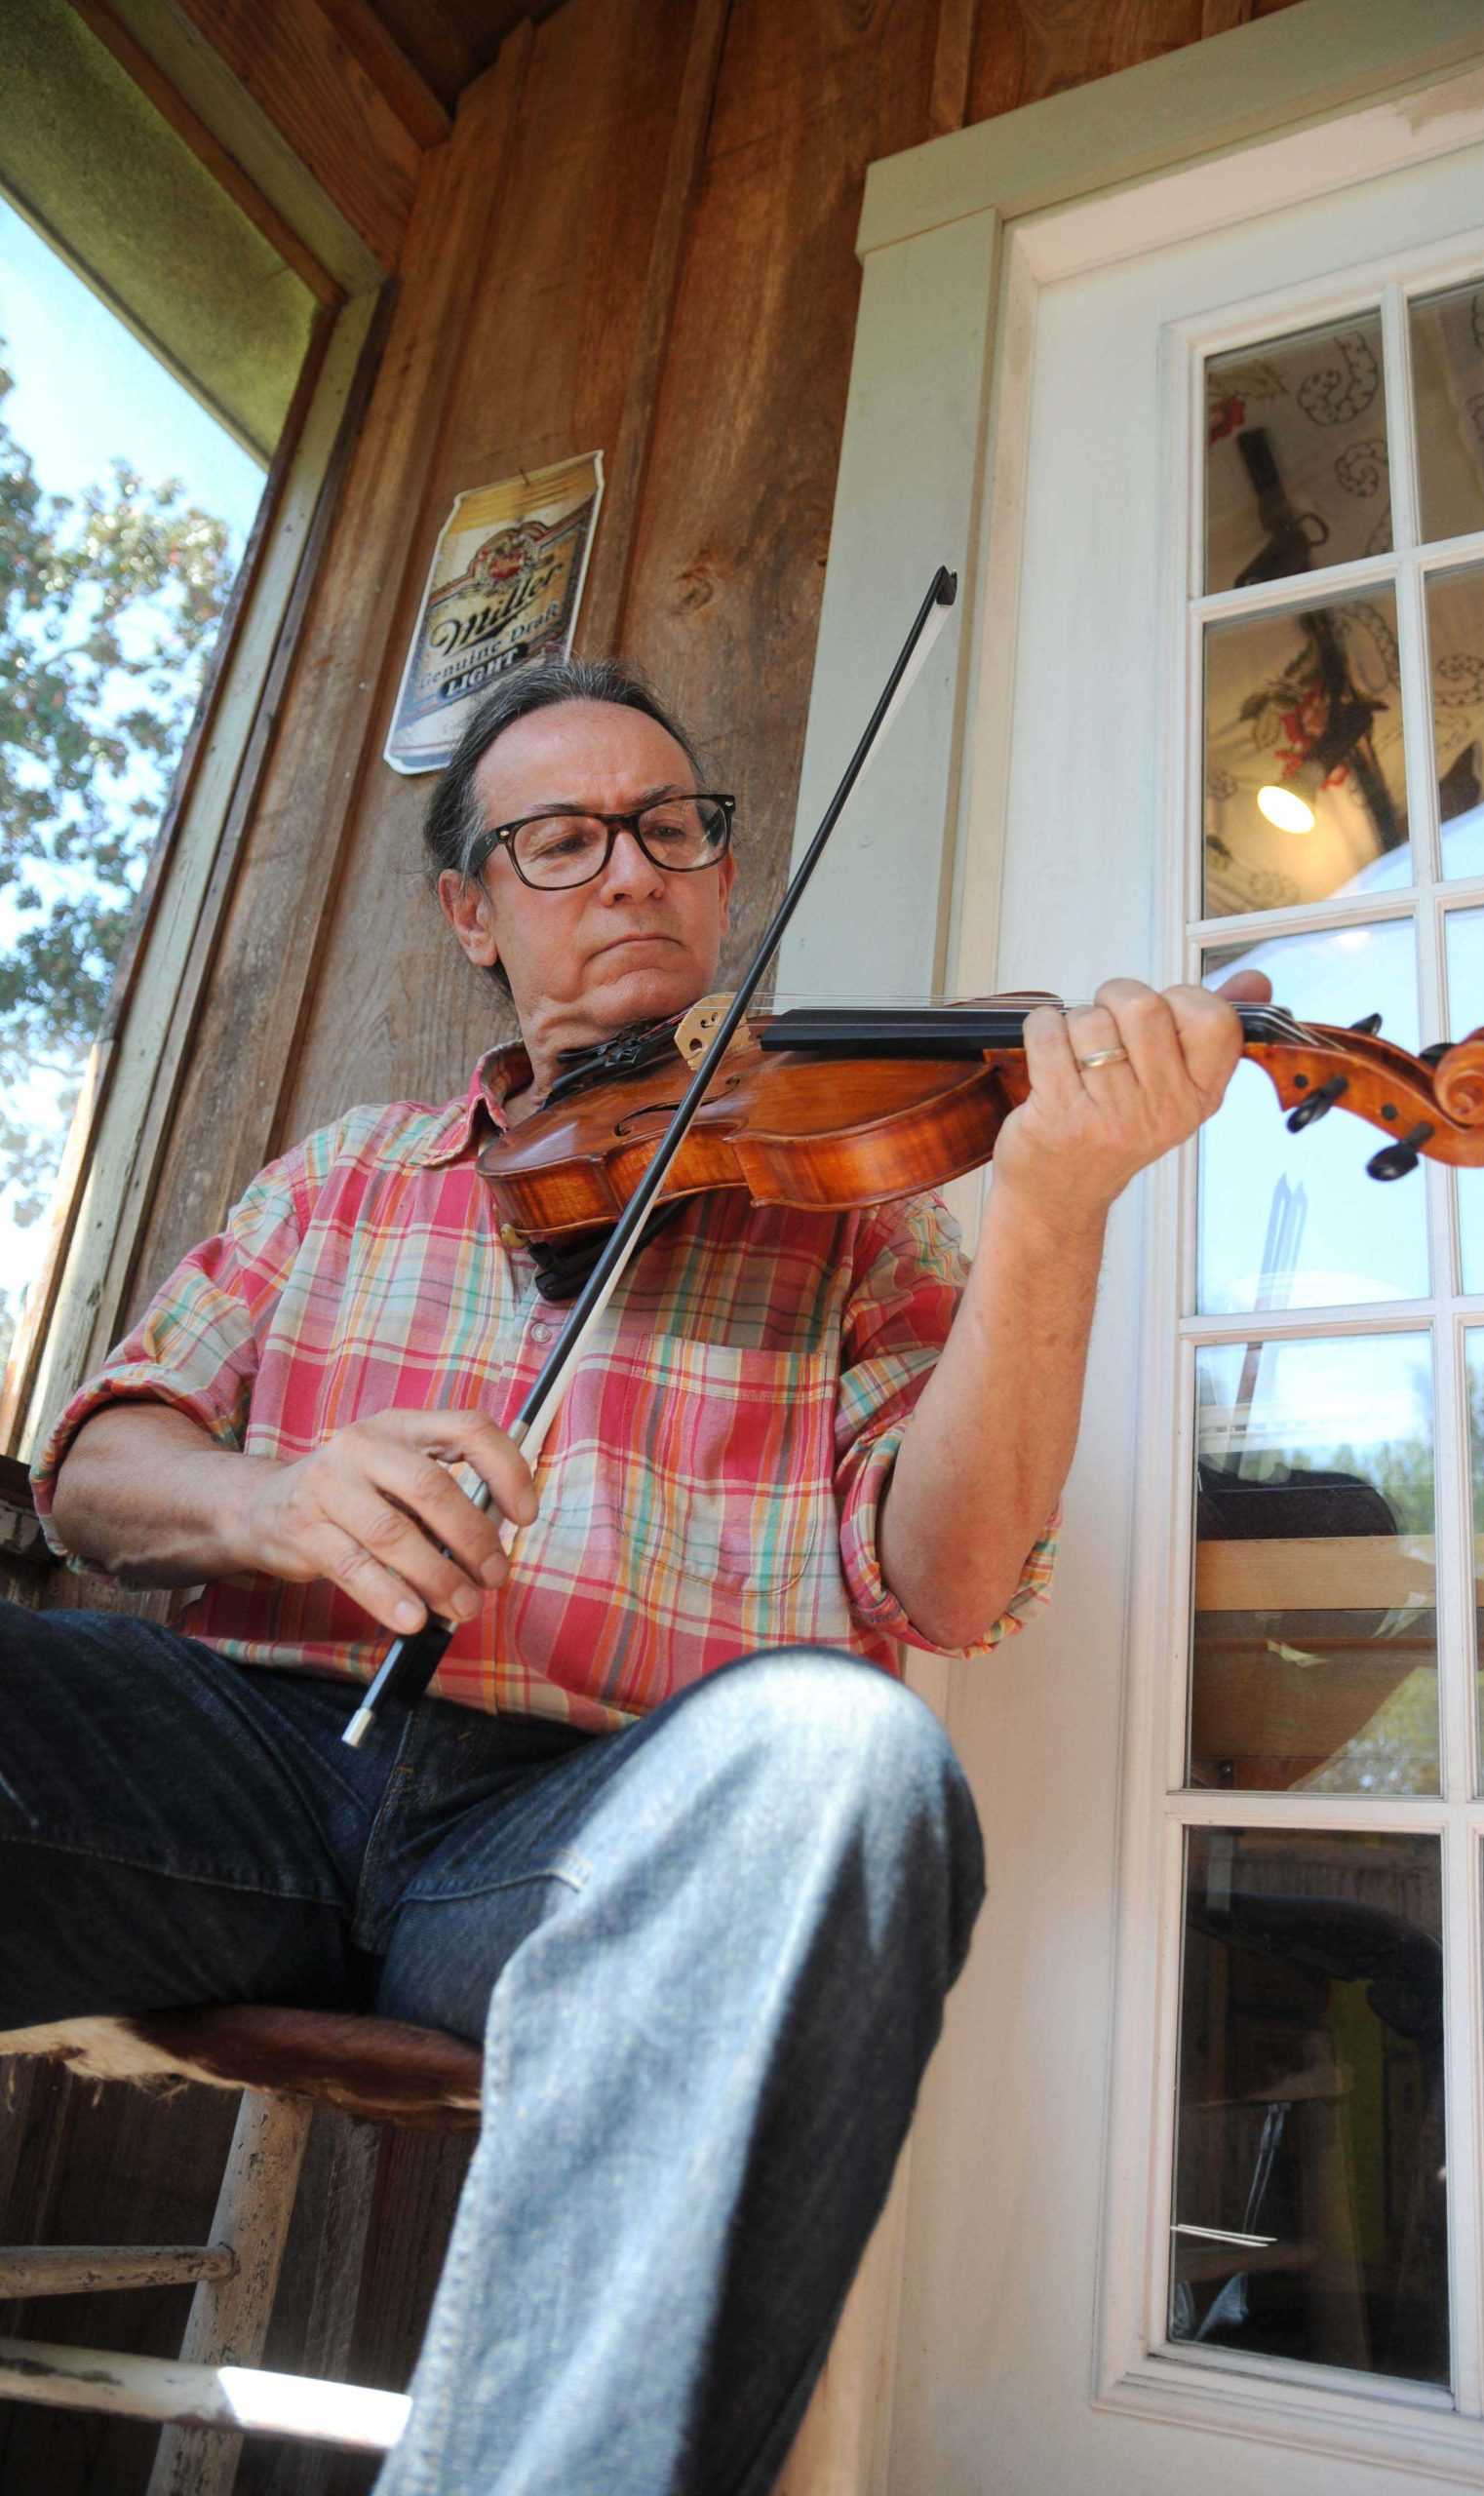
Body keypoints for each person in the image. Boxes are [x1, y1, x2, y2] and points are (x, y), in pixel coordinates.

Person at [2, 657, 1261, 2493]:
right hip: (243, 1774)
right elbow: (99, 1465)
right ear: (473, 911)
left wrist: (1051, 1215)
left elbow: (958, 1582)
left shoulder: (853, 1206)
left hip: (572, 1841)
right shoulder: (344, 1177)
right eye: (564, 837)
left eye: (674, 826)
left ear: (725, 875)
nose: (632, 871)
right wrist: (275, 1506)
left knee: (847, 1763)